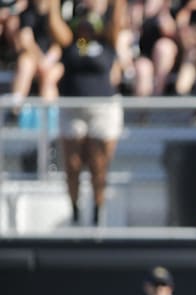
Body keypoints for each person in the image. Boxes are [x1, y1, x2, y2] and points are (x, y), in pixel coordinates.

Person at [48, 0, 125, 226]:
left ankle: (98, 211)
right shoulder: (73, 44)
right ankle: (74, 209)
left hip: (103, 109)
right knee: (72, 164)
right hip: (73, 108)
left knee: (98, 164)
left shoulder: (106, 43)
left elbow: (117, 20)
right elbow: (54, 24)